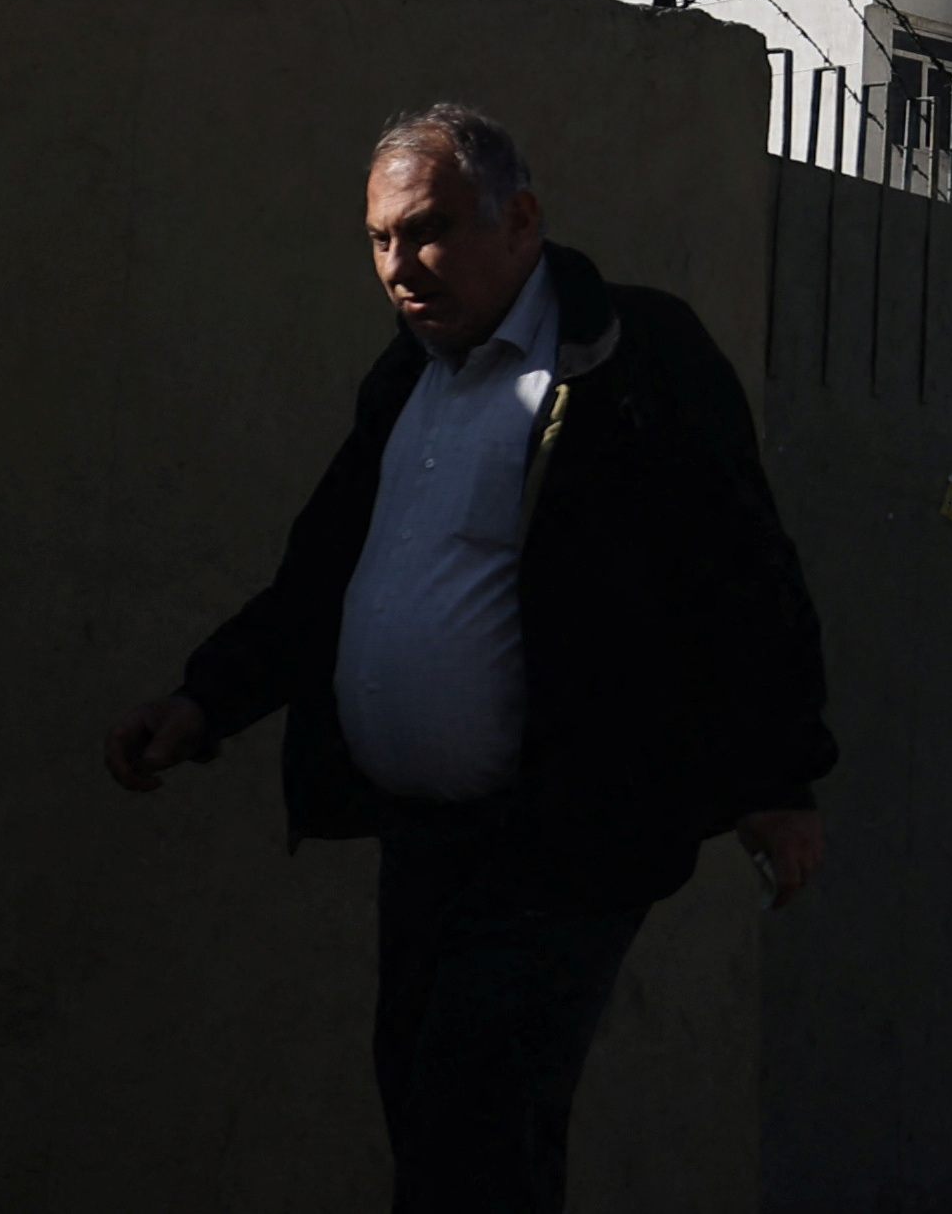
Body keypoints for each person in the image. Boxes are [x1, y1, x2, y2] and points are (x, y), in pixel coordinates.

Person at [107, 104, 830, 1214]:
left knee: (472, 1132)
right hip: (426, 836)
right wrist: (206, 700)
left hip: (565, 835)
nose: (402, 264)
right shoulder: (406, 383)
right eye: (382, 240)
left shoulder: (631, 359)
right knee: (441, 1121)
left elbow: (745, 571)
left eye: (430, 229)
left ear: (522, 219)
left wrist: (777, 781)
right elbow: (321, 578)